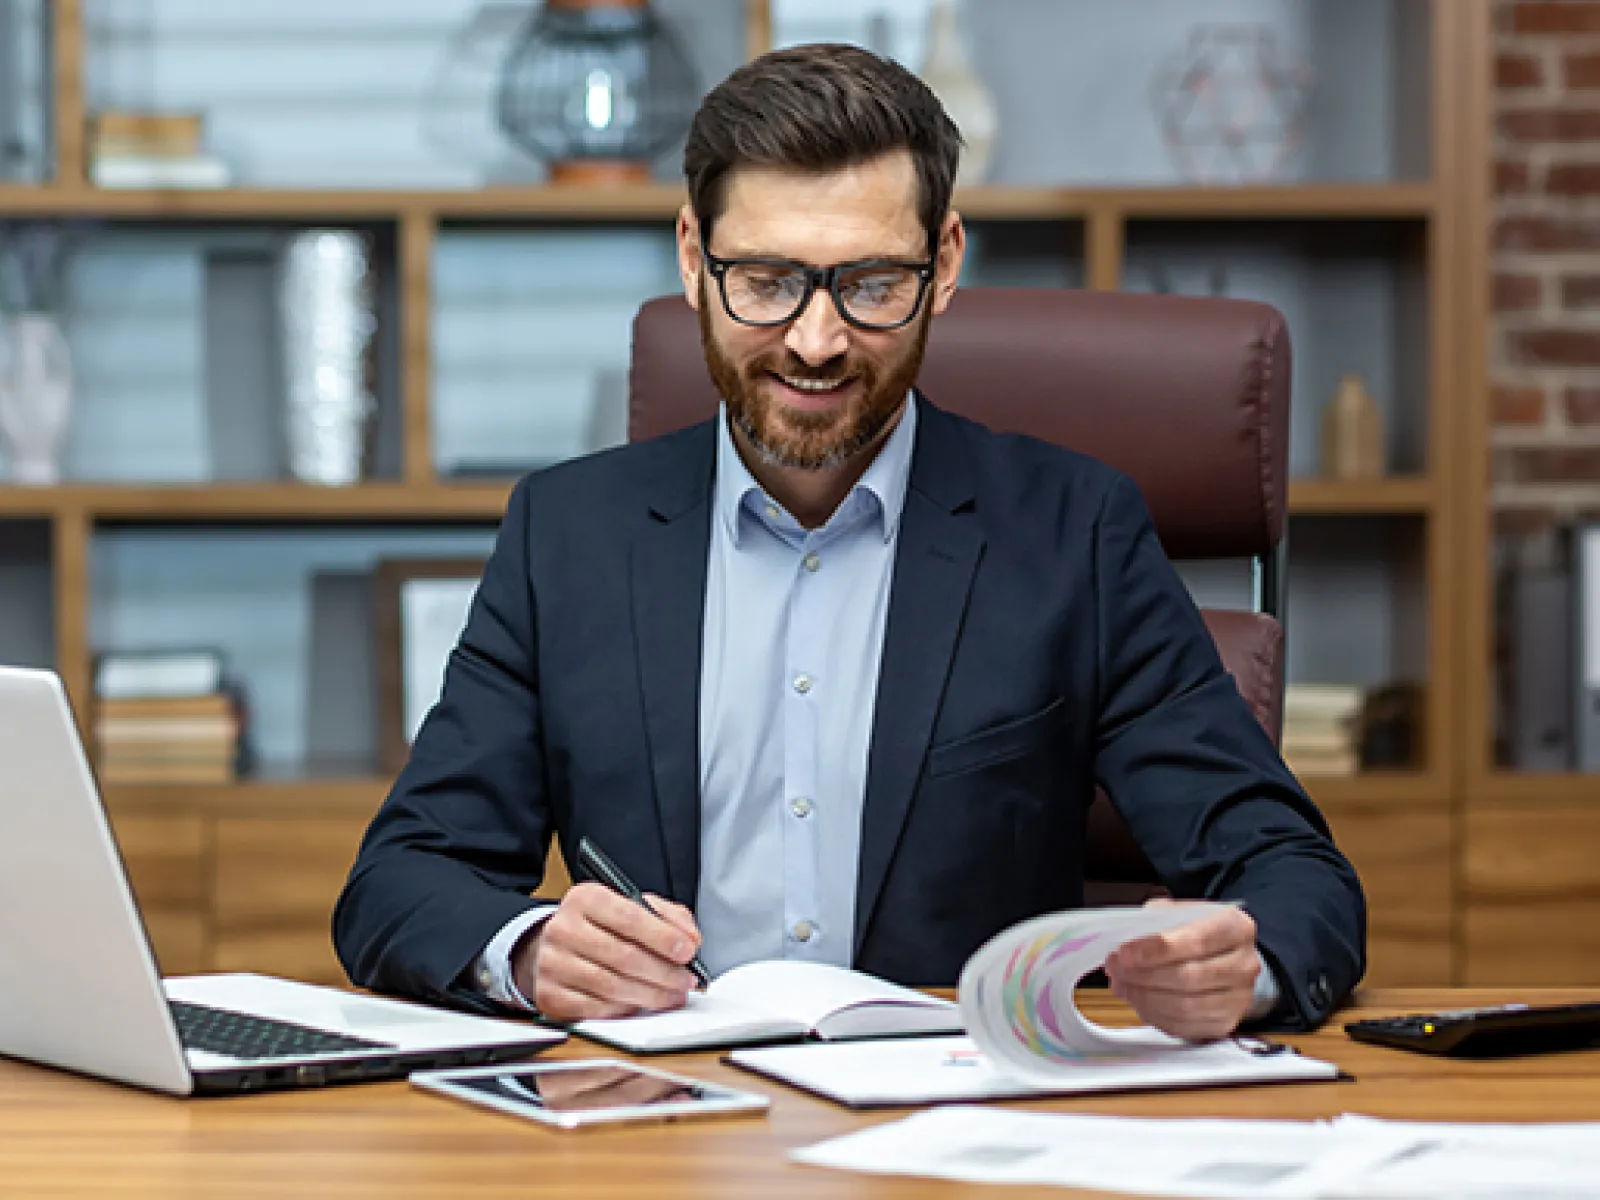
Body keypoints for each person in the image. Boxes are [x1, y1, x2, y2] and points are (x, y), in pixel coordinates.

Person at [334, 44, 1365, 1039]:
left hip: (959, 1115)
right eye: (768, 280)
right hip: (658, 1124)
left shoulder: (1072, 532)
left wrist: (1243, 964)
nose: (816, 340)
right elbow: (401, 880)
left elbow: (1292, 876)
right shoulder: (569, 536)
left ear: (944, 263)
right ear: (694, 259)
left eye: (870, 283)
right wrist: (527, 951)